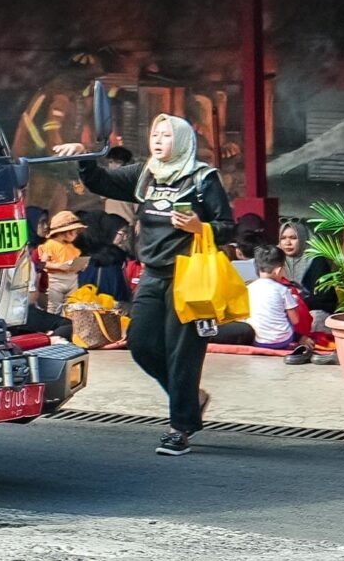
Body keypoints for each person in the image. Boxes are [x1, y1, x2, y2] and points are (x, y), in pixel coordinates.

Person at [57, 112, 236, 455]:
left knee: (182, 354)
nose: (158, 140)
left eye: (167, 135)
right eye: (155, 133)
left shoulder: (202, 178)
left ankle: (179, 429)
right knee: (139, 344)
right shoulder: (145, 173)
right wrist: (83, 155)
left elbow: (229, 225)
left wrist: (202, 227)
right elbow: (100, 182)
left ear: (182, 141)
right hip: (153, 274)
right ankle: (190, 401)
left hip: (190, 276)